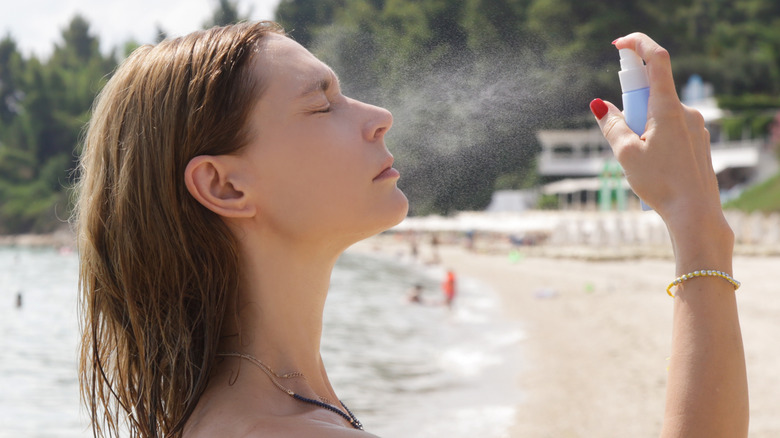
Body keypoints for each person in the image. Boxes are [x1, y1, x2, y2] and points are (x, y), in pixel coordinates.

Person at [74, 21, 747, 438]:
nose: (379, 115)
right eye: (322, 104)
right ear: (225, 186)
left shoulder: (252, 410)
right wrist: (697, 229)